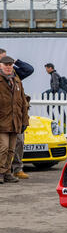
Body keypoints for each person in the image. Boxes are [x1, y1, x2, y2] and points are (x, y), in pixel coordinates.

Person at [0, 48, 34, 180]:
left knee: (11, 149)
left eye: (10, 64)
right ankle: (2, 173)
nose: (8, 66)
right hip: (3, 120)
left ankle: (9, 172)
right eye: (4, 62)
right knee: (3, 148)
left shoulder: (16, 79)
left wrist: (25, 121)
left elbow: (22, 103)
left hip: (15, 120)